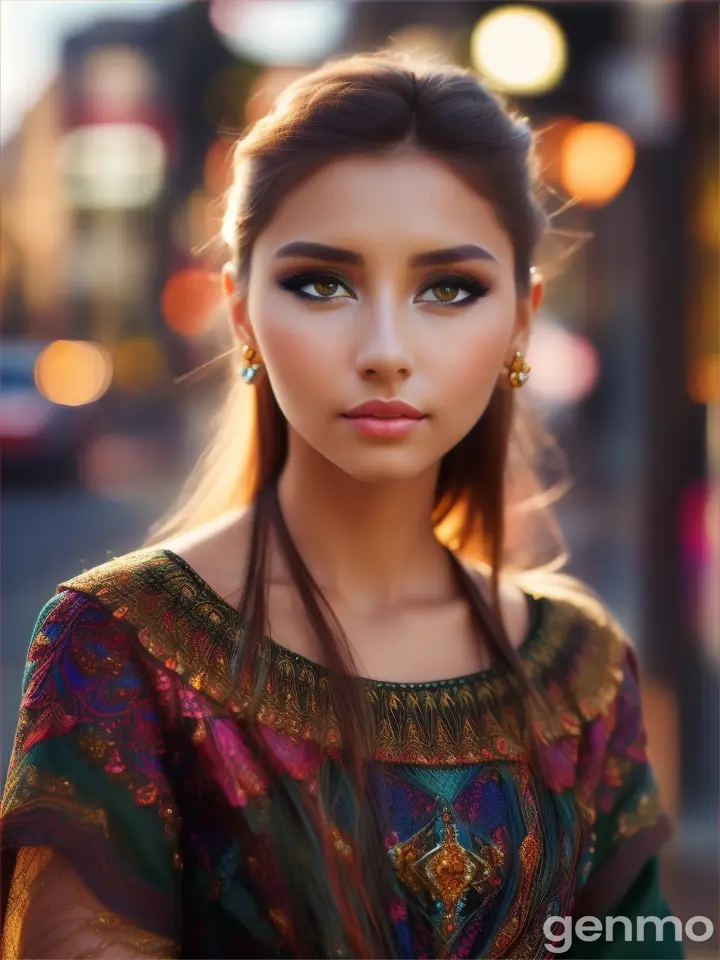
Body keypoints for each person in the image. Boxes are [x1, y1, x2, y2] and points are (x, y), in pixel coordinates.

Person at [1, 52, 683, 960]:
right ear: (241, 312)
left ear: (521, 319)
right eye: (322, 283)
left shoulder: (583, 671)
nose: (387, 349)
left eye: (449, 288)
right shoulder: (118, 646)